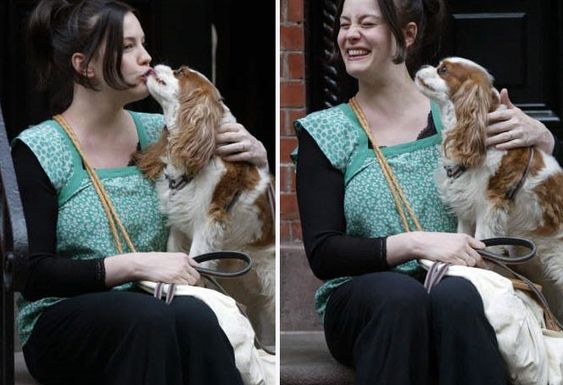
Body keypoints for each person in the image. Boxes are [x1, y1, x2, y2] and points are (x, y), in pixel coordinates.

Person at [294, 0, 562, 384]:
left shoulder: (461, 113)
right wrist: (416, 243)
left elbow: (533, 192)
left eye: (367, 23)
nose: (350, 34)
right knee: (400, 298)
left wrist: (545, 143)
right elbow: (324, 253)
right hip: (367, 298)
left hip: (463, 286)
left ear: (407, 35)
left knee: (459, 298)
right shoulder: (325, 131)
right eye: (344, 24)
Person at [12, 1, 268, 384]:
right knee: (150, 321)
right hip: (63, 318)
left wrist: (255, 157)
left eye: (143, 43)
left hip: (159, 305)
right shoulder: (39, 149)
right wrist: (133, 265)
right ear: (84, 66)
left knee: (199, 321)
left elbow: (236, 199)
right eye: (128, 46)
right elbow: (33, 274)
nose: (146, 57)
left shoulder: (165, 131)